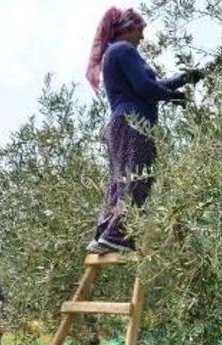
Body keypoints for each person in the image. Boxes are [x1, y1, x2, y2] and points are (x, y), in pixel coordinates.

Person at [85, 6, 204, 254]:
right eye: (140, 30)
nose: (142, 36)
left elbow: (150, 84)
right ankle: (117, 235)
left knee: (121, 179)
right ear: (128, 29)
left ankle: (104, 233)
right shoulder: (124, 50)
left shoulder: (114, 52)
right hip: (133, 123)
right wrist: (171, 96)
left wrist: (184, 79)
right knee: (139, 178)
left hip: (121, 124)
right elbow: (144, 87)